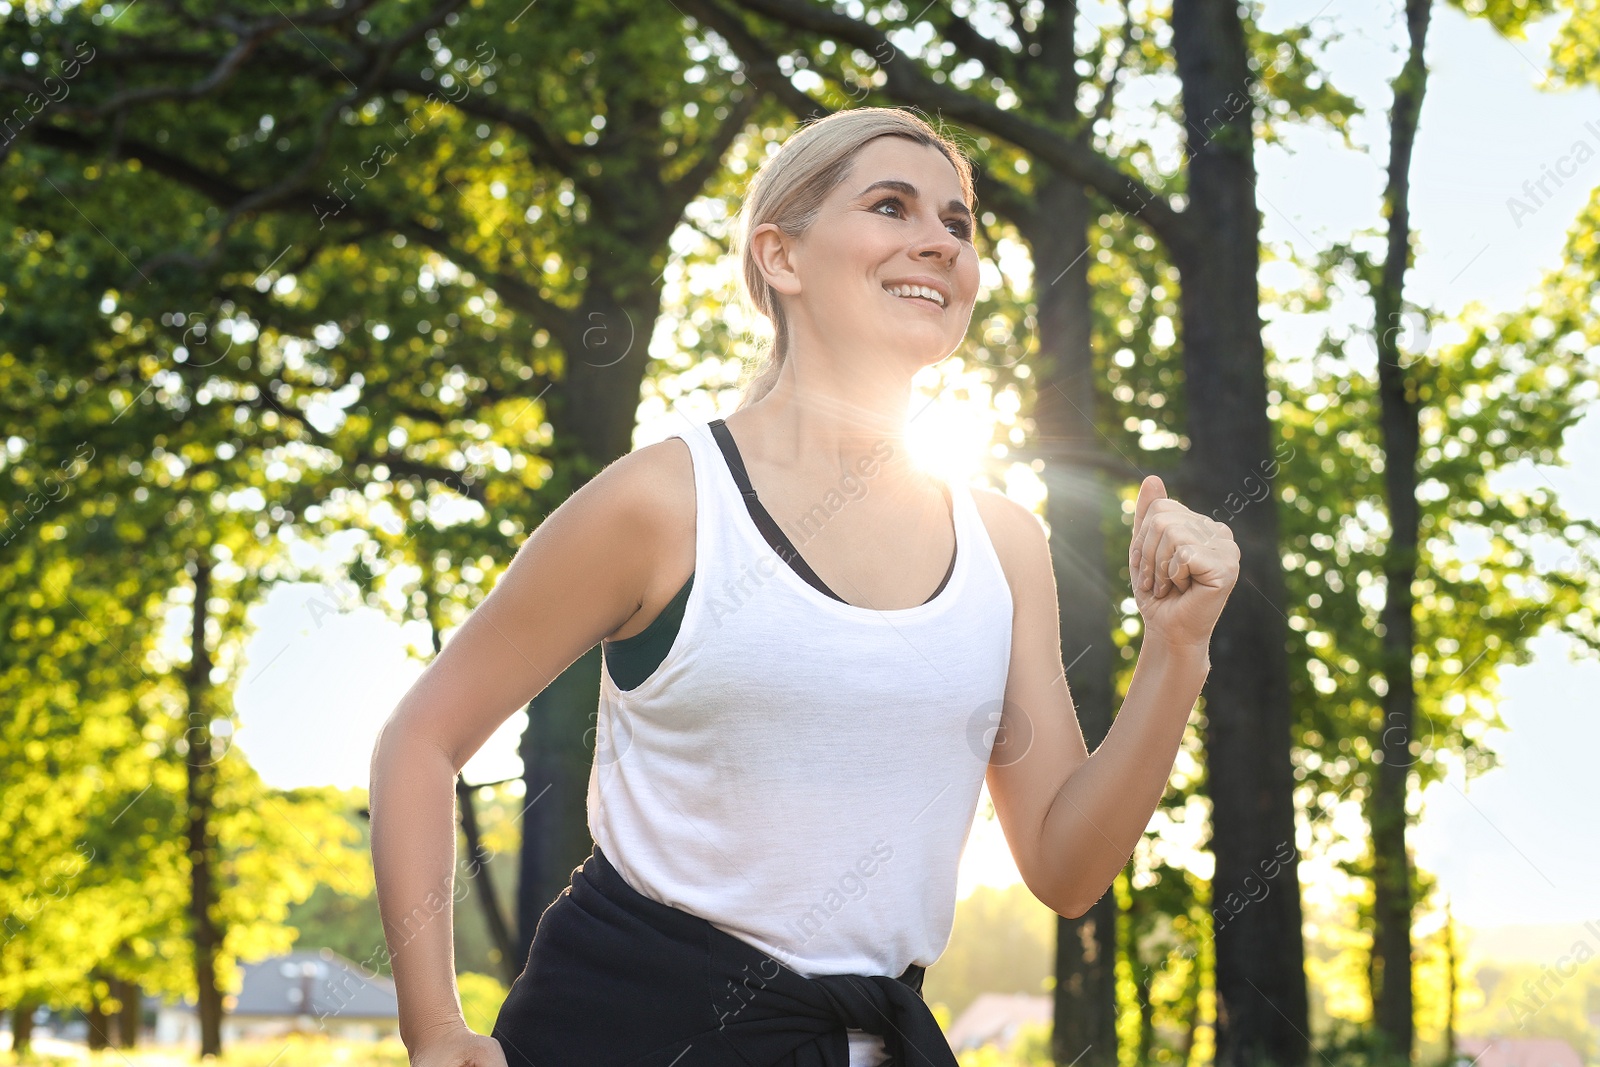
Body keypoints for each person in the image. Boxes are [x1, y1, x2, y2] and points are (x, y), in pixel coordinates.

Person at [368, 106, 1240, 1067]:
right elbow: (423, 736)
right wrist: (437, 1031)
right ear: (780, 256)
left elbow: (1066, 867)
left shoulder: (1006, 544)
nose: (937, 242)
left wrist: (1177, 649)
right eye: (891, 206)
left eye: (958, 223)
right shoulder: (666, 501)